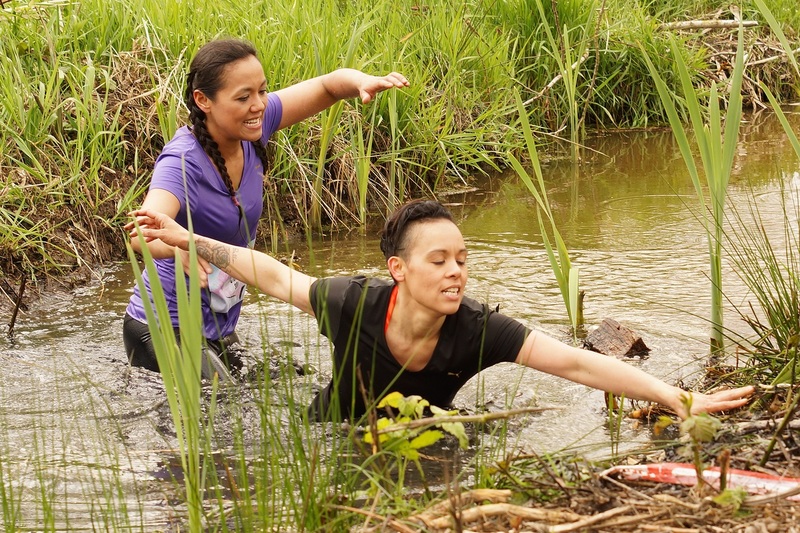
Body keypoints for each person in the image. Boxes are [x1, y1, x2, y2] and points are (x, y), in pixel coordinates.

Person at [126, 199, 754, 421]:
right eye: (439, 260)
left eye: (462, 258)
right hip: (331, 440)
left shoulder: (478, 329)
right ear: (398, 269)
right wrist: (186, 240)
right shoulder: (355, 302)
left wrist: (676, 397)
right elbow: (274, 275)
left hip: (423, 441)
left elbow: (578, 366)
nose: (456, 271)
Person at [123, 38, 409, 377]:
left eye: (262, 91)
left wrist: (360, 81)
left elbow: (328, 86)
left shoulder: (252, 127)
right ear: (203, 101)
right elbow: (141, 233)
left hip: (216, 326)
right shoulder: (182, 162)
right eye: (243, 97)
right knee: (224, 407)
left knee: (292, 377)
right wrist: (178, 247)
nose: (259, 105)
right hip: (164, 327)